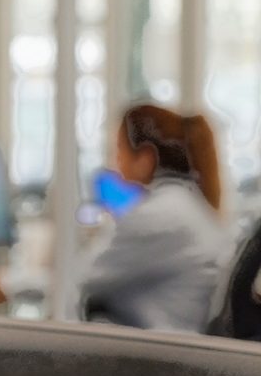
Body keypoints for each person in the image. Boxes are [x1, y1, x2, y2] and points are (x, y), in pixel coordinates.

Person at [79, 103, 232, 332]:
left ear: (145, 159)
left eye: (119, 150)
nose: (116, 162)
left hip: (166, 347)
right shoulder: (183, 203)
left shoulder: (160, 216)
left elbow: (82, 279)